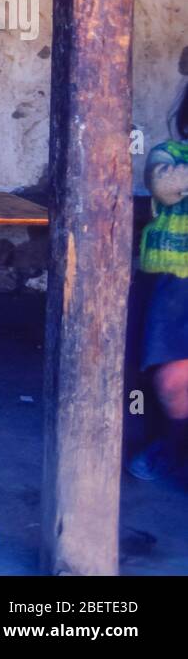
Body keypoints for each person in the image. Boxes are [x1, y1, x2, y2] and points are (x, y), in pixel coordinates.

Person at [128, 86, 188, 486]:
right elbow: (164, 187)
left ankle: (170, 449)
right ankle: (169, 445)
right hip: (169, 285)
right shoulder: (168, 155)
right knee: (166, 378)